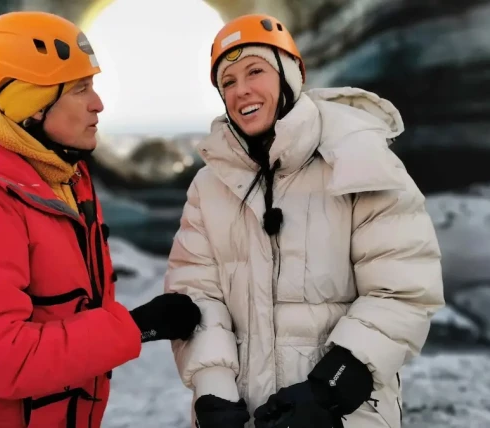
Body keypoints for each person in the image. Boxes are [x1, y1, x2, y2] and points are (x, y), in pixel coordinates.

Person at [0, 11, 201, 428]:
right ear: (34, 106)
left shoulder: (65, 177)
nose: (98, 103)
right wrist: (136, 326)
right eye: (80, 89)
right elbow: (1, 359)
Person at [164, 13, 444, 428]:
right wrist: (213, 393)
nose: (241, 91)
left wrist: (329, 389)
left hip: (345, 416)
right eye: (228, 82)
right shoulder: (209, 185)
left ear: (290, 74)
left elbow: (402, 287)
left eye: (254, 71)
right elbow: (197, 294)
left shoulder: (358, 158)